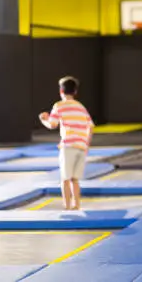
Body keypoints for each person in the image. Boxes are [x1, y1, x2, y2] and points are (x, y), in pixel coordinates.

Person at [39, 76, 94, 210]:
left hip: (68, 146)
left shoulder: (59, 106)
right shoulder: (80, 107)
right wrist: (86, 145)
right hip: (81, 147)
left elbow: (52, 125)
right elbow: (91, 126)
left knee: (65, 178)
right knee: (75, 179)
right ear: (75, 92)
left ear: (61, 92)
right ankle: (77, 205)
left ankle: (67, 206)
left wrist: (43, 119)